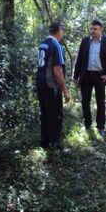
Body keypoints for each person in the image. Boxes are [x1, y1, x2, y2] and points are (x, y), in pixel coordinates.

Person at [73, 19, 106, 135]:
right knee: (85, 101)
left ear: (101, 29)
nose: (92, 31)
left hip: (100, 76)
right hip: (87, 75)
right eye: (91, 29)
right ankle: (87, 124)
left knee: (100, 102)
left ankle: (101, 126)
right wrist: (75, 75)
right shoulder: (85, 41)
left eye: (95, 29)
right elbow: (79, 59)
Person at [36, 22, 71, 151]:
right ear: (58, 32)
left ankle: (44, 141)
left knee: (44, 112)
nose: (63, 33)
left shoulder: (43, 44)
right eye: (62, 30)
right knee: (55, 114)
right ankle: (56, 144)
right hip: (51, 85)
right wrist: (65, 91)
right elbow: (58, 70)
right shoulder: (56, 45)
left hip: (40, 82)